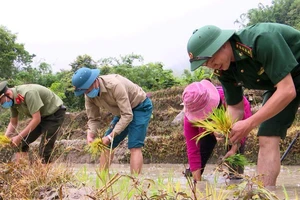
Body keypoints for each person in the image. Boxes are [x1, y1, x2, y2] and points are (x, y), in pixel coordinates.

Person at [186, 23, 300, 186]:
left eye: (211, 59)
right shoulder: (224, 70)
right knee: (266, 136)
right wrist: (230, 138)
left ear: (223, 44)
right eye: (206, 64)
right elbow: (235, 107)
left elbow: (287, 90)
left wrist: (249, 123)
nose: (212, 66)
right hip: (279, 84)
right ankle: (264, 193)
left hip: (287, 79)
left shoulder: (261, 40)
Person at [71, 67, 153, 174]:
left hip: (140, 106)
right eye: (84, 91)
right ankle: (103, 180)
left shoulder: (114, 85)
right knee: (107, 146)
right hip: (121, 112)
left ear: (95, 81)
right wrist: (91, 133)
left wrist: (110, 136)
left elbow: (127, 115)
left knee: (134, 145)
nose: (86, 93)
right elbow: (93, 119)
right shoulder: (88, 96)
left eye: (87, 90)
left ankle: (135, 183)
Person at [182, 79, 252, 181]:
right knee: (193, 173)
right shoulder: (190, 117)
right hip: (206, 130)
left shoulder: (233, 101)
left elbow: (242, 128)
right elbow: (192, 149)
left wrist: (234, 148)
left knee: (235, 171)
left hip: (233, 127)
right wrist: (196, 187)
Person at [0, 81, 66, 163]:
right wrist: (4, 140)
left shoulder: (29, 93)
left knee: (45, 147)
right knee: (21, 143)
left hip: (54, 113)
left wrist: (18, 137)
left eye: (2, 102)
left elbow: (36, 119)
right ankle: (21, 170)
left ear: (8, 94)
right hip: (40, 116)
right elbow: (13, 123)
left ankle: (44, 174)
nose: (2, 104)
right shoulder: (13, 101)